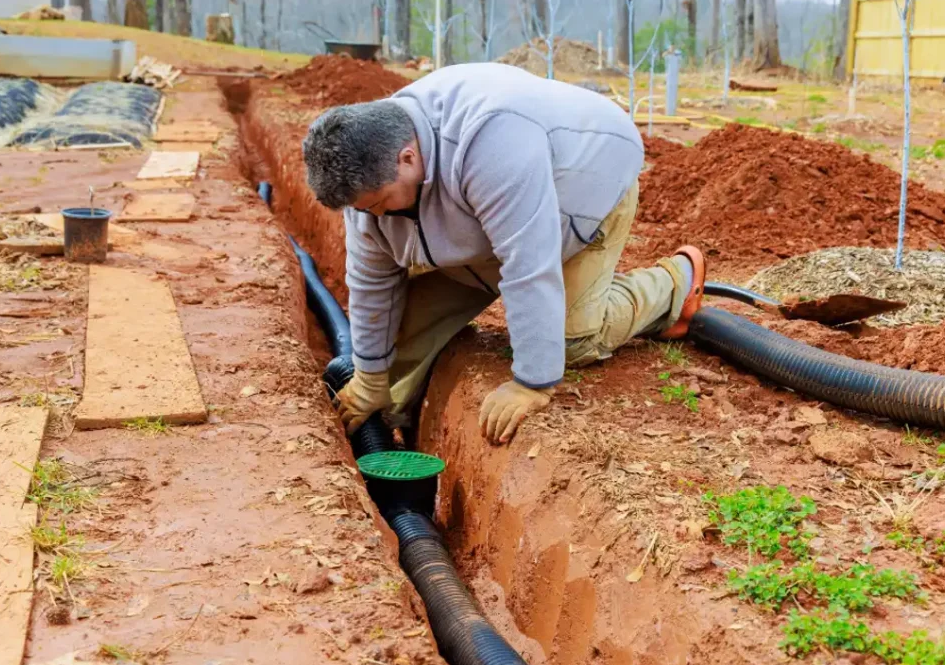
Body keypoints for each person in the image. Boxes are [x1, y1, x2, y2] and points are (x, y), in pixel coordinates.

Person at [302, 62, 705, 445]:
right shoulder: (371, 176)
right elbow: (372, 281)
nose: (373, 217)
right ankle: (394, 433)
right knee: (396, 342)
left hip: (581, 192)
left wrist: (532, 383)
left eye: (378, 204)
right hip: (486, 223)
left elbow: (529, 266)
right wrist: (371, 378)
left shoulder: (490, 141)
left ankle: (673, 282)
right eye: (363, 210)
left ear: (408, 158)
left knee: (571, 342)